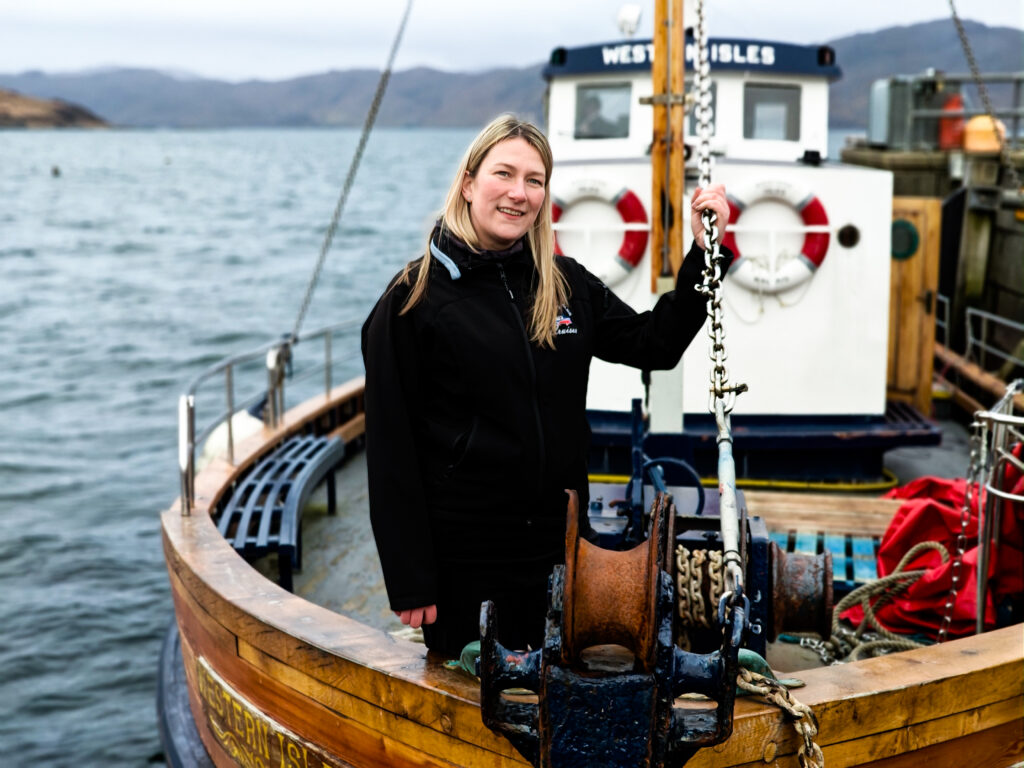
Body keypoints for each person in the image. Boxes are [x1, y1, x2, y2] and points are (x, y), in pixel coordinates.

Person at [361, 115, 731, 657]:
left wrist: (705, 255)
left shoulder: (567, 286)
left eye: (534, 180)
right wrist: (411, 578)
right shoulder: (413, 301)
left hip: (559, 547)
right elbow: (390, 451)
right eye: (503, 174)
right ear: (468, 184)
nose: (519, 193)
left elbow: (655, 344)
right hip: (467, 557)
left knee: (553, 699)